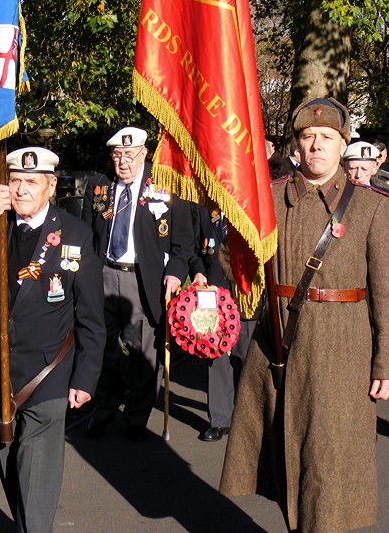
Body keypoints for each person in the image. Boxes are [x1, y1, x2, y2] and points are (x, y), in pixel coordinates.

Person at [220, 98, 389, 532]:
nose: (317, 145)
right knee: (282, 456)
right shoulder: (269, 198)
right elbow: (231, 262)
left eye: (327, 137)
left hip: (342, 349)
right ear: (297, 146)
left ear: (342, 144)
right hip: (279, 345)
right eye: (308, 137)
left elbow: (385, 291)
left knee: (327, 465)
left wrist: (384, 361)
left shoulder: (371, 206)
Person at [0, 147, 106, 533]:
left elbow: (91, 317)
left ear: (50, 186)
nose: (21, 190)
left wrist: (84, 378)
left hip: (46, 374)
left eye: (31, 182)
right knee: (12, 473)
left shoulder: (76, 234)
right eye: (14, 180)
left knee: (36, 482)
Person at [82, 127, 193, 441]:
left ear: (145, 153)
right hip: (103, 274)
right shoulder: (99, 184)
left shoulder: (167, 186)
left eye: (130, 155)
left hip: (142, 280)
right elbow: (89, 235)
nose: (123, 163)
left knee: (143, 350)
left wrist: (175, 272)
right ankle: (103, 408)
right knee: (101, 347)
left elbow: (184, 243)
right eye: (117, 155)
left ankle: (136, 416)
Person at [189, 203, 258, 441]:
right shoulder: (203, 207)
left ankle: (250, 417)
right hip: (214, 294)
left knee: (246, 357)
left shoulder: (253, 203)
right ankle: (220, 419)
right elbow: (194, 249)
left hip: (247, 293)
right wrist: (198, 271)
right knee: (216, 356)